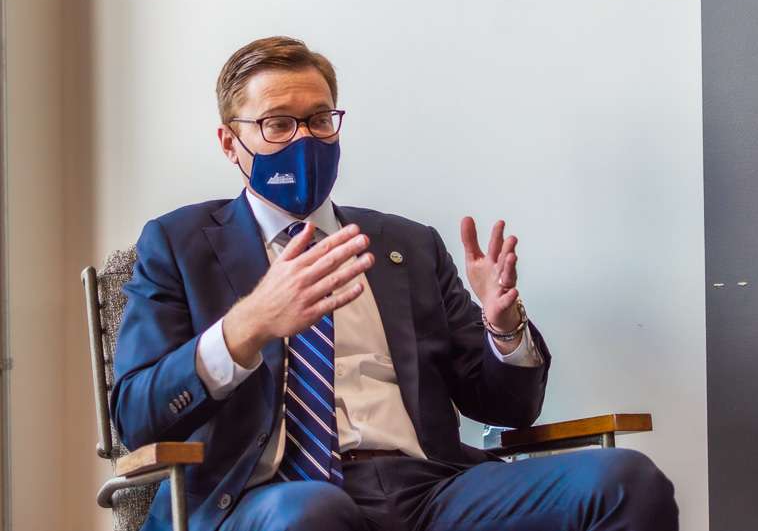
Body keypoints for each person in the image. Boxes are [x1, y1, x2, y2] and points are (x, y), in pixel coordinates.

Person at [112, 36, 679, 531]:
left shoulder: (405, 245)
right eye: (278, 124)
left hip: (427, 488)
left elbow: (506, 408)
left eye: (318, 119)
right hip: (265, 497)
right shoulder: (179, 245)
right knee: (312, 513)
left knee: (626, 480)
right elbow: (137, 416)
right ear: (230, 142)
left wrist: (503, 330)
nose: (304, 139)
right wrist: (249, 324)